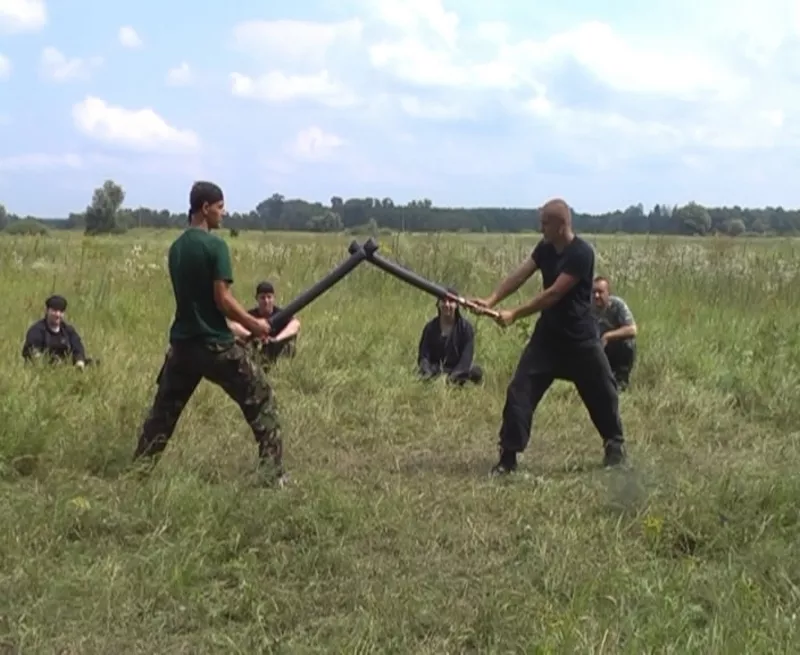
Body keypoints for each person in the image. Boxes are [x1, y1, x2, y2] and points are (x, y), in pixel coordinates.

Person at [132, 181, 287, 486]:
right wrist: (254, 325)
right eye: (220, 207)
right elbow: (222, 299)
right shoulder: (215, 246)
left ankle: (138, 473)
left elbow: (196, 304)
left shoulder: (176, 249)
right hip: (214, 346)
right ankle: (272, 475)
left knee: (162, 415)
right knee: (262, 400)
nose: (223, 213)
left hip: (182, 347)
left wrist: (234, 326)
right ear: (205, 208)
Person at [471, 198, 626, 476]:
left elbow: (554, 293)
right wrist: (491, 300)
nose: (540, 228)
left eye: (545, 223)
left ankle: (614, 446)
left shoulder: (582, 253)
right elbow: (521, 274)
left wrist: (515, 314)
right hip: (548, 339)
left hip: (580, 339)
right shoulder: (545, 248)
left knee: (604, 391)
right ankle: (508, 458)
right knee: (520, 391)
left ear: (561, 225)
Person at [417, 289, 483, 385]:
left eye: (451, 301)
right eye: (443, 301)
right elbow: (424, 357)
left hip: (458, 370)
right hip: (436, 369)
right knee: (419, 373)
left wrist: (451, 379)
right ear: (438, 304)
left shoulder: (465, 328)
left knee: (476, 372)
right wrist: (427, 374)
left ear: (456, 305)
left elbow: (466, 359)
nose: (447, 305)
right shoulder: (430, 328)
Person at [229, 281, 301, 367]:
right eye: (262, 298)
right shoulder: (251, 315)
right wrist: (251, 336)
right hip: (255, 352)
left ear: (274, 298)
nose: (266, 301)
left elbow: (296, 324)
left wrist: (276, 340)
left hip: (278, 353)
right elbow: (233, 325)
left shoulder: (281, 314)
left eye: (269, 297)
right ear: (257, 298)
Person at [22, 294, 94, 367]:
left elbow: (78, 348)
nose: (57, 314)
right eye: (54, 311)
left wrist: (79, 361)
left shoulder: (68, 330)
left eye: (61, 311)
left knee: (93, 363)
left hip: (67, 367)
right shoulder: (36, 330)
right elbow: (32, 352)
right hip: (46, 367)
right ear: (47, 311)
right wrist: (53, 363)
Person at [592, 276, 637, 390]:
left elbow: (632, 329)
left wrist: (608, 336)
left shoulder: (618, 305)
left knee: (628, 343)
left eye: (600, 292)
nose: (596, 296)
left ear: (608, 293)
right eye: (594, 292)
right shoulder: (588, 307)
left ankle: (621, 380)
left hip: (615, 347)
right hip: (596, 348)